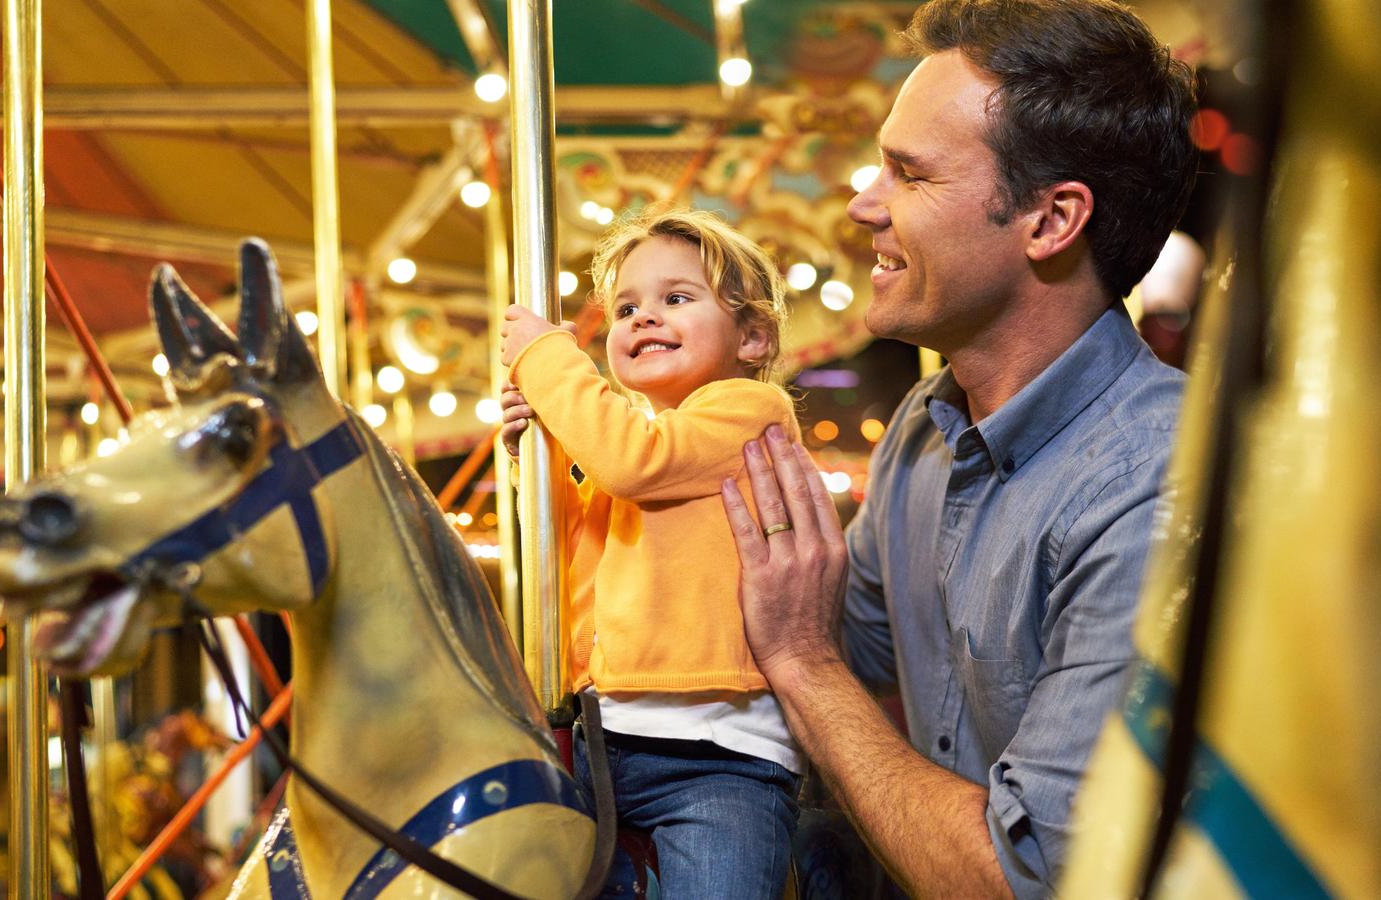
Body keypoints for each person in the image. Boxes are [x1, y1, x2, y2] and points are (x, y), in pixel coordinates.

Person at [719, 1, 1200, 897]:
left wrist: (807, 670)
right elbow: (829, 638)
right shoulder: (924, 425)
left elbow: (1025, 881)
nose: (864, 206)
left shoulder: (1157, 489)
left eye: (908, 173)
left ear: (1051, 222)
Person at [498, 209, 803, 898]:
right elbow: (572, 561)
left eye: (676, 298)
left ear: (752, 338)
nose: (642, 319)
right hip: (605, 751)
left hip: (719, 761)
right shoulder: (643, 445)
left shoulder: (747, 415)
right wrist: (537, 460)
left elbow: (633, 462)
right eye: (626, 308)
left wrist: (549, 358)